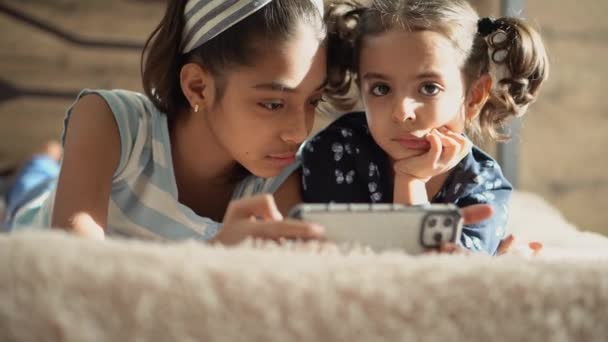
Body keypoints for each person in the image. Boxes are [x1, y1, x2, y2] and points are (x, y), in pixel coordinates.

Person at [3, 0, 329, 243]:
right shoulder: (110, 121)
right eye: (273, 104)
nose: (300, 132)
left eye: (313, 101)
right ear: (197, 87)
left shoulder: (283, 178)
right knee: (33, 187)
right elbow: (76, 266)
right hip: (33, 223)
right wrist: (212, 256)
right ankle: (42, 163)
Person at [292, 0, 549, 254]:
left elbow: (429, 279)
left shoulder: (483, 185)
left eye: (429, 88)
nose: (402, 113)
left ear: (473, 97)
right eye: (381, 89)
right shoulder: (336, 151)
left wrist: (411, 182)